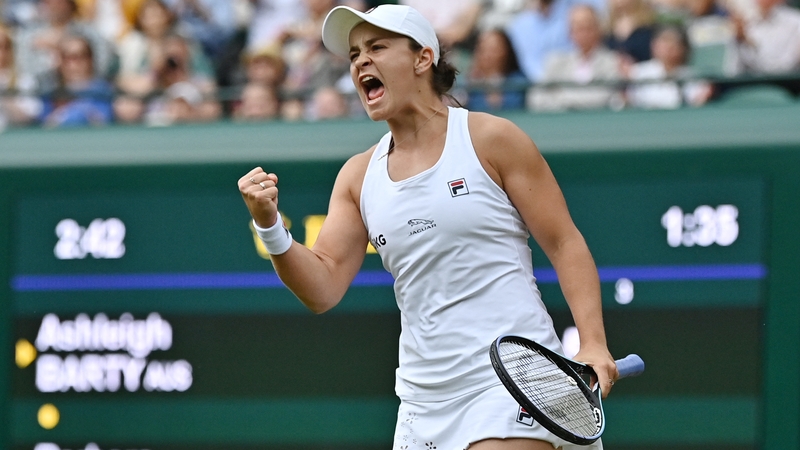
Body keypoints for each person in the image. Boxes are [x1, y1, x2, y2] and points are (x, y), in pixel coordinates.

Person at [238, 4, 617, 450]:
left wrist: (593, 343)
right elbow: (322, 288)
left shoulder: (492, 139)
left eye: (377, 47)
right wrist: (270, 227)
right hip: (422, 404)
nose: (360, 61)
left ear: (422, 59)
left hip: (515, 381)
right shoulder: (358, 177)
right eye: (355, 53)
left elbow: (564, 242)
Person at [529, 4, 622, 111]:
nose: (583, 33)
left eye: (588, 27)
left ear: (598, 29)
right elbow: (537, 97)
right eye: (577, 28)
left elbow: (604, 98)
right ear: (569, 32)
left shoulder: (612, 61)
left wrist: (563, 99)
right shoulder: (556, 62)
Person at [625, 24, 712, 109]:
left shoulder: (693, 76)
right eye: (664, 41)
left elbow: (696, 103)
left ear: (684, 48)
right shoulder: (638, 72)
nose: (668, 47)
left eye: (674, 42)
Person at [464, 28, 527, 112]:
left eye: (493, 49)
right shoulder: (470, 84)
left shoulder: (519, 81)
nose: (488, 55)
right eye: (483, 49)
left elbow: (514, 105)